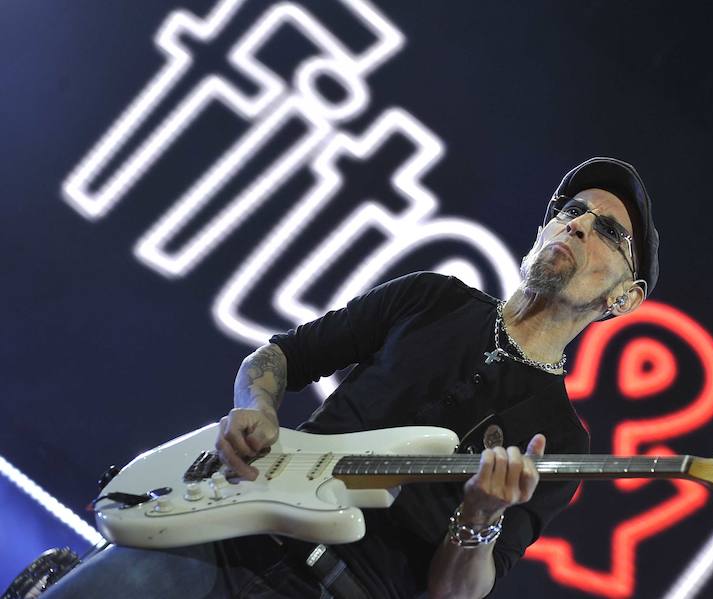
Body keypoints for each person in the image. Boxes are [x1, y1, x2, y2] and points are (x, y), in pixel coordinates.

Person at [43, 157, 659, 599]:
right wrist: (255, 405)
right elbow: (278, 357)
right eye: (571, 211)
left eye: (609, 231)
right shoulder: (432, 297)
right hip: (227, 530)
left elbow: (455, 592)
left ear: (624, 300)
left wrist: (479, 515)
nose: (578, 224)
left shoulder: (559, 440)